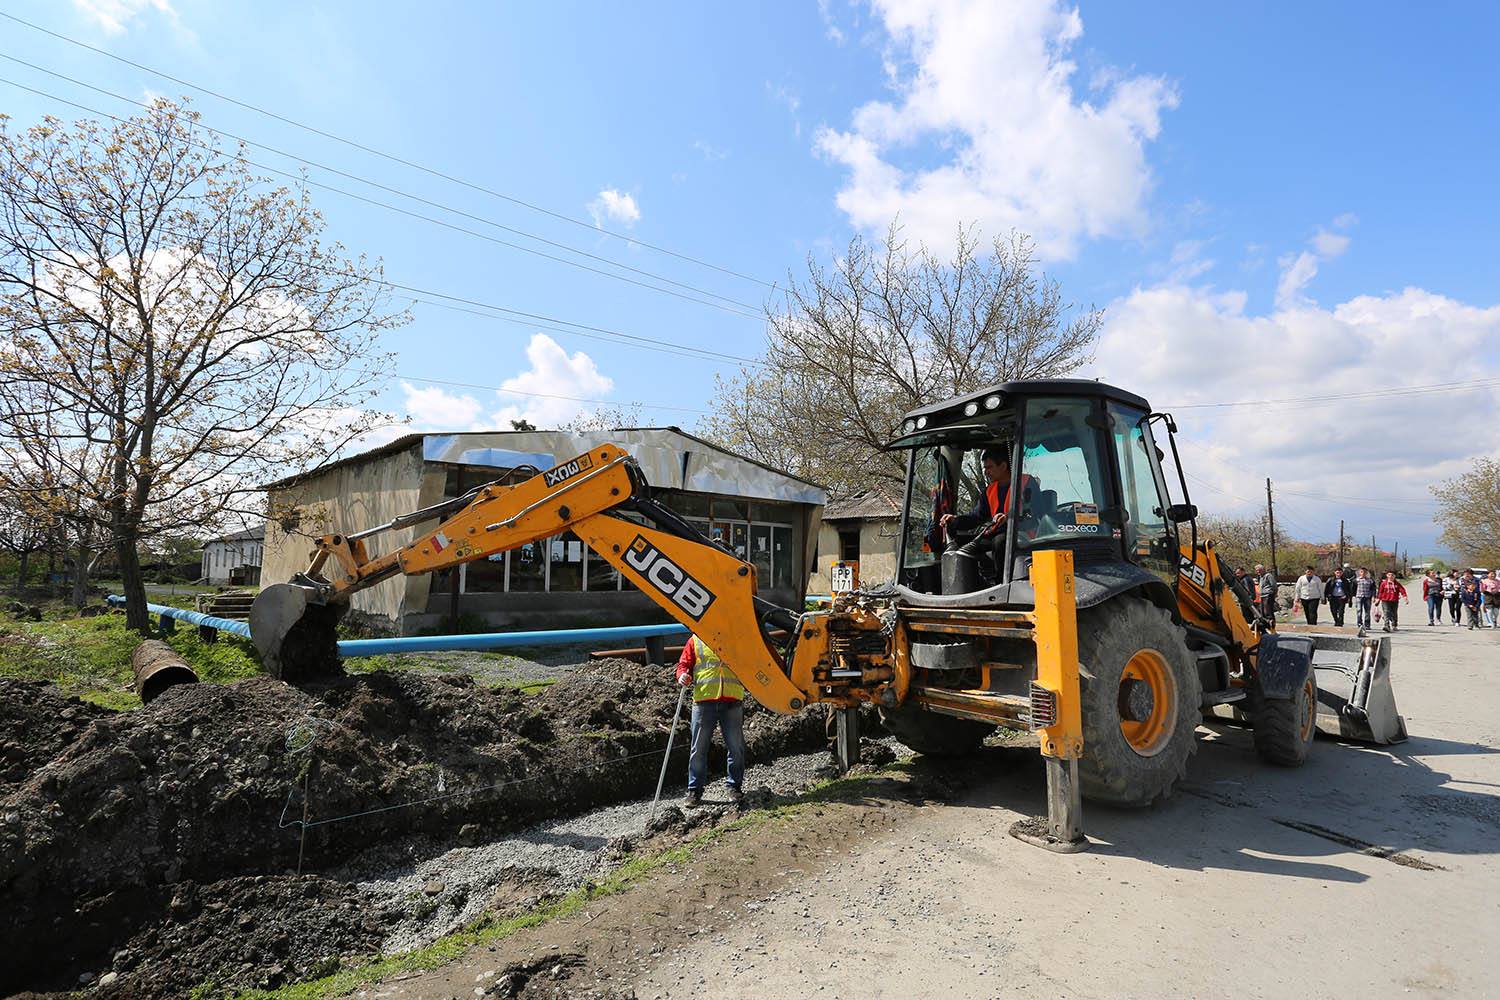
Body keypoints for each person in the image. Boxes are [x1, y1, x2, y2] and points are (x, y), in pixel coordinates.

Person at [675, 634, 746, 806]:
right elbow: (683, 664)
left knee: (736, 747)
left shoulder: (738, 637)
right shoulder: (696, 640)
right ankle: (694, 791)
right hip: (704, 701)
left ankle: (734, 787)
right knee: (698, 749)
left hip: (731, 699)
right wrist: (682, 675)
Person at [938, 446, 1032, 559]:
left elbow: (1036, 514)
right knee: (957, 543)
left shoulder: (1027, 482)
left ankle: (1000, 577)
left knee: (1000, 542)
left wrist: (1009, 517)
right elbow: (976, 517)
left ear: (1003, 466)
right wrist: (954, 520)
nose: (986, 472)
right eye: (985, 468)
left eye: (989, 468)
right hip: (996, 535)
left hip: (1024, 534)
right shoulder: (990, 490)